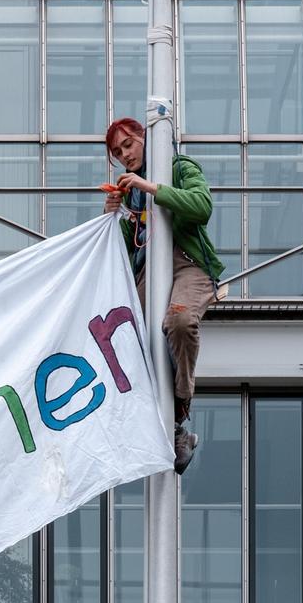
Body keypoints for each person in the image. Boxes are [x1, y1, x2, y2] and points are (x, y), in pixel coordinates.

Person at [100, 116, 224, 475]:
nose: (125, 155)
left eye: (129, 144)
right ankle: (166, 427)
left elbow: (202, 206)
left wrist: (153, 188)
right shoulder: (131, 194)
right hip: (148, 272)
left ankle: (180, 404)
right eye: (117, 152)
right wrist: (112, 218)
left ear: (145, 138)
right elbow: (124, 253)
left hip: (187, 265)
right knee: (126, 341)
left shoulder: (179, 168)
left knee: (180, 321)